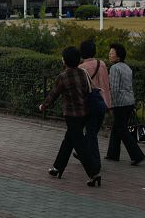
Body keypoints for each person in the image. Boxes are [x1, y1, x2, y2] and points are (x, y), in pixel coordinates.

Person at [38, 46, 102, 187]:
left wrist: (43, 106)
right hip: (85, 113)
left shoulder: (63, 76)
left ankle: (94, 173)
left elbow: (53, 94)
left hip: (72, 115)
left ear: (65, 60)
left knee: (80, 145)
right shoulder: (83, 73)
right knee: (69, 140)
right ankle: (57, 167)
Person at [106, 43, 145, 166]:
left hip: (120, 103)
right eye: (110, 53)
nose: (109, 55)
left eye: (112, 53)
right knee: (117, 127)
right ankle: (112, 154)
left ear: (118, 56)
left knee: (122, 129)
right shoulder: (127, 67)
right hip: (129, 102)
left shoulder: (114, 68)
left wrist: (111, 104)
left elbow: (114, 89)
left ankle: (137, 155)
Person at [78, 39, 112, 166]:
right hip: (102, 103)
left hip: (90, 104)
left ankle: (94, 162)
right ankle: (83, 154)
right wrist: (108, 104)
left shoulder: (81, 68)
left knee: (91, 134)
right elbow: (106, 85)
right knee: (92, 132)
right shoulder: (101, 64)